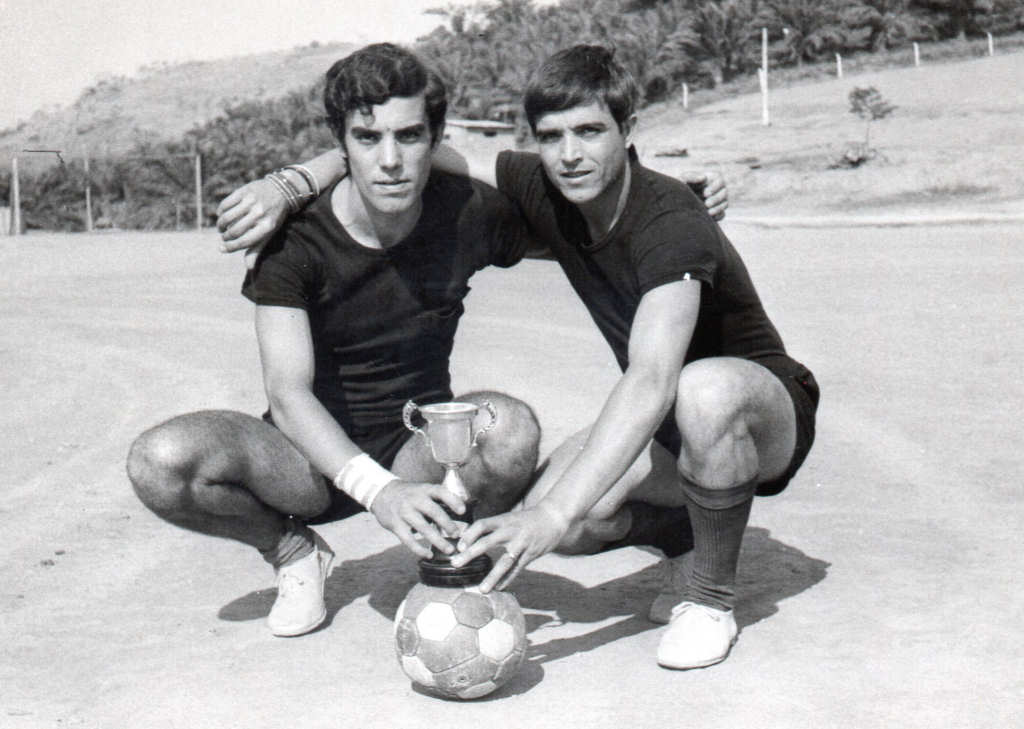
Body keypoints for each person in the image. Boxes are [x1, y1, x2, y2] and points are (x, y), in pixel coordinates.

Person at [126, 43, 544, 639]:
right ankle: (294, 553)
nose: (390, 161)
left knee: (509, 427)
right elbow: (288, 392)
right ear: (341, 142)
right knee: (161, 462)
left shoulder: (469, 212)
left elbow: (584, 230)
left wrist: (679, 214)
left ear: (436, 138)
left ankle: (451, 560)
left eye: (409, 136)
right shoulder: (293, 238)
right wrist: (380, 492)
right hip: (304, 461)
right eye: (368, 138)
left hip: (419, 443)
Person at [444, 45, 820, 671]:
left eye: (590, 131)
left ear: (628, 130)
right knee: (570, 524)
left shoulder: (671, 218)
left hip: (760, 408)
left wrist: (550, 513)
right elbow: (432, 149)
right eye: (551, 136)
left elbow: (651, 379)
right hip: (672, 419)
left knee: (700, 390)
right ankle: (686, 545)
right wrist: (296, 179)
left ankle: (710, 601)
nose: (570, 154)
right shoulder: (546, 185)